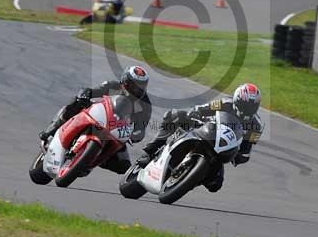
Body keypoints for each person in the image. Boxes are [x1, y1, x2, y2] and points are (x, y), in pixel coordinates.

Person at [136, 83, 264, 192]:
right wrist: (195, 113)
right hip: (205, 129)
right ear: (237, 100)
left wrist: (239, 156)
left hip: (221, 149)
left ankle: (189, 179)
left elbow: (247, 148)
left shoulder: (257, 126)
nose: (249, 109)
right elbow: (203, 109)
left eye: (253, 106)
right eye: (246, 104)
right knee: (174, 115)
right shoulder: (225, 103)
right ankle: (153, 147)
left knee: (215, 184)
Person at [39, 65, 152, 174]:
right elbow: (90, 91)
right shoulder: (113, 85)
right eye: (132, 85)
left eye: (140, 87)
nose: (135, 89)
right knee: (77, 102)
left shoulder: (145, 105)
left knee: (124, 165)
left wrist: (134, 135)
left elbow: (141, 128)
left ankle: (92, 159)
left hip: (116, 130)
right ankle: (51, 130)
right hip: (99, 115)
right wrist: (84, 94)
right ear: (124, 81)